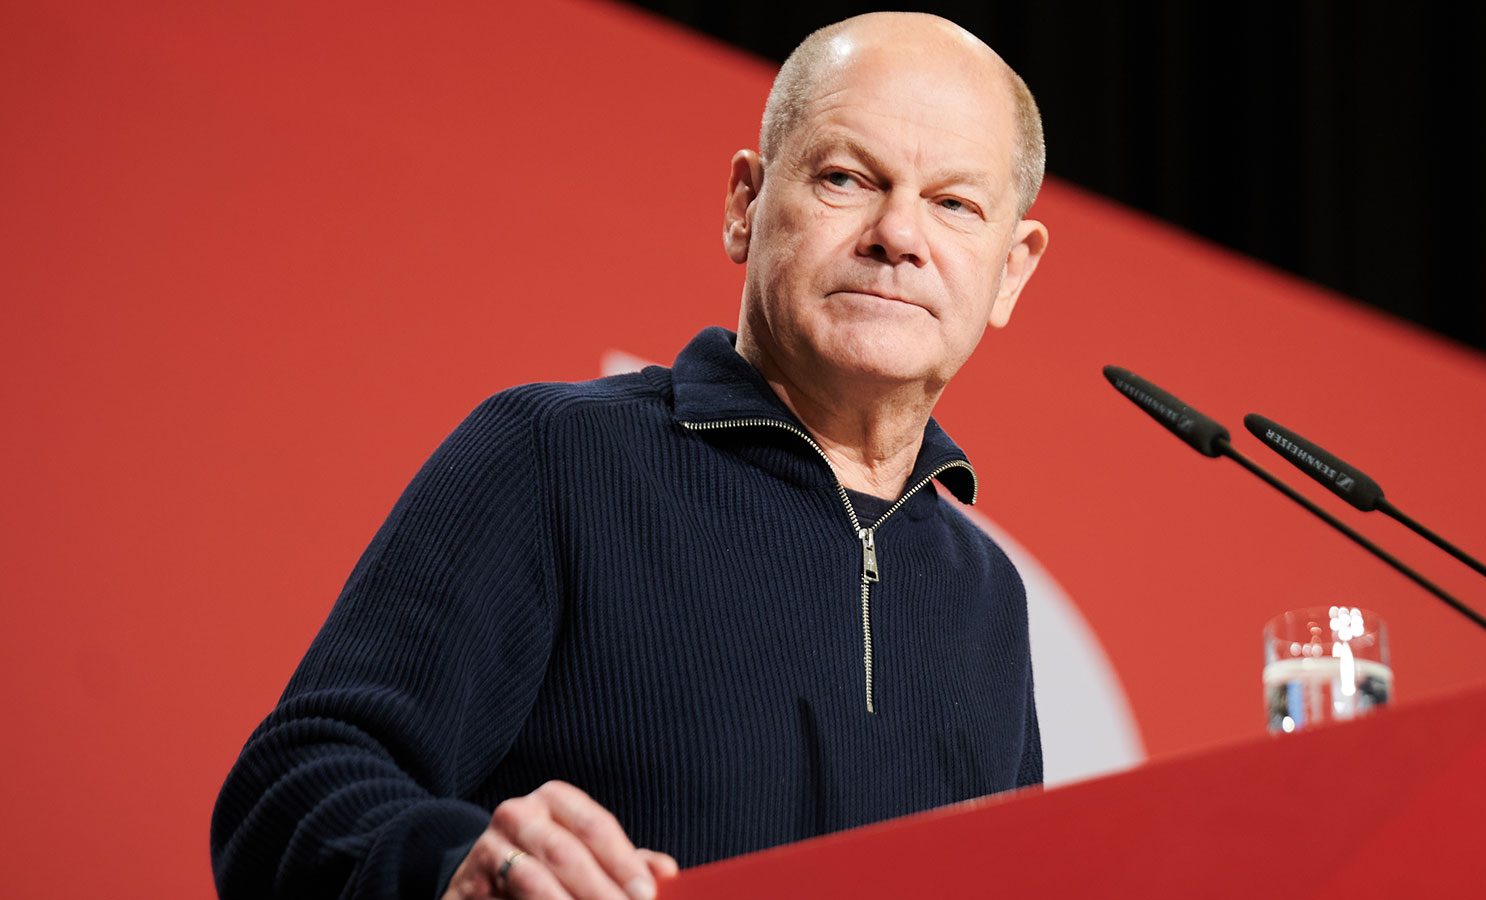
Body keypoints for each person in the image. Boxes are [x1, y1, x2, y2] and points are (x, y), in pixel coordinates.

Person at [211, 11, 1049, 900]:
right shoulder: (552, 455)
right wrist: (460, 870)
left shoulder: (988, 595)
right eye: (847, 177)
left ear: (1011, 271)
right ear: (745, 205)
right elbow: (288, 796)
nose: (899, 235)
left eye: (955, 203)